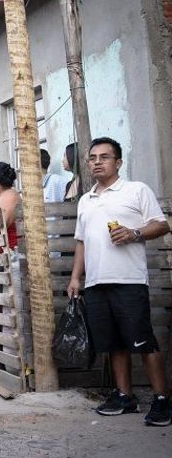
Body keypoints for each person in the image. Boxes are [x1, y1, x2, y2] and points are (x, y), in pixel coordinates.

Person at [66, 137, 169, 426]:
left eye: (105, 157)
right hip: (97, 283)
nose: (97, 162)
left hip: (129, 280)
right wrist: (76, 277)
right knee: (113, 344)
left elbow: (161, 225)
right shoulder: (86, 200)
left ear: (118, 162)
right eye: (92, 158)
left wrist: (134, 233)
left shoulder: (136, 190)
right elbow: (82, 242)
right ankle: (125, 396)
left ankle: (162, 399)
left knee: (143, 341)